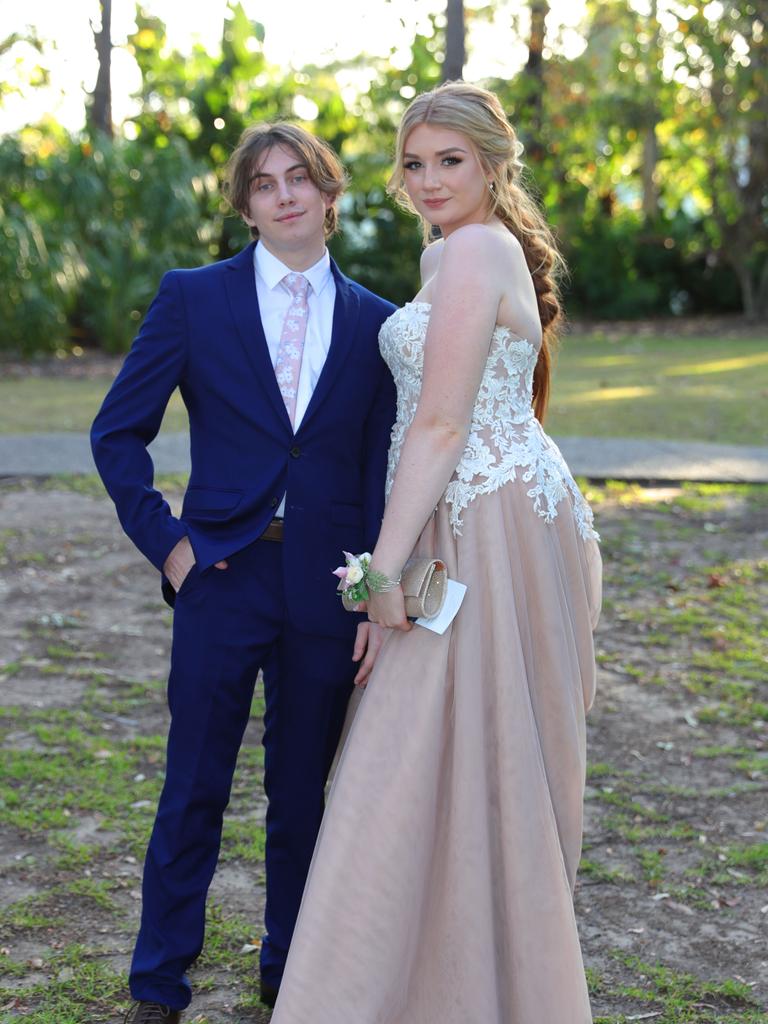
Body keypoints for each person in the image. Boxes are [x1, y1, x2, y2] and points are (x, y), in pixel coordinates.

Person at [270, 82, 603, 1024]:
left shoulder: (478, 249)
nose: (427, 181)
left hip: (491, 528)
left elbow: (443, 420)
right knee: (437, 748)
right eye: (413, 164)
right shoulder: (448, 255)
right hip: (463, 523)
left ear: (494, 163)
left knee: (435, 746)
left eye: (447, 161)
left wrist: (380, 573)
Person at [90, 122, 396, 1023]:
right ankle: (158, 982)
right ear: (246, 205)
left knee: (303, 796)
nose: (285, 196)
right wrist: (173, 546)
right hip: (220, 574)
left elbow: (380, 469)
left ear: (331, 194)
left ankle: (288, 970)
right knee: (193, 786)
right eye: (265, 185)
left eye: (301, 178)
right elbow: (117, 434)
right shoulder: (194, 298)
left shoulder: (380, 325)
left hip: (329, 589)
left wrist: (375, 593)